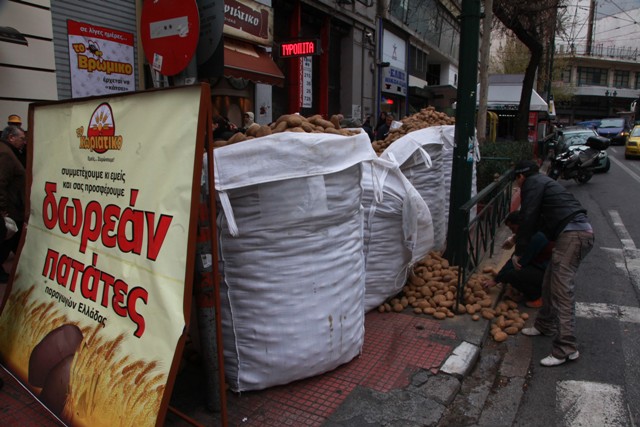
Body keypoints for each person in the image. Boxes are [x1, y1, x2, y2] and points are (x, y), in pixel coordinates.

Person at [513, 160, 594, 367]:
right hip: (572, 233)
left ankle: (566, 349)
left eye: (517, 180)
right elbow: (541, 223)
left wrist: (519, 253)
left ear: (521, 177)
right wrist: (515, 240)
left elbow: (528, 216)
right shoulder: (544, 182)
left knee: (561, 291)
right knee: (549, 282)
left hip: (573, 235)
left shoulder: (532, 183)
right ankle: (544, 325)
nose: (518, 184)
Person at [483, 210, 553, 308]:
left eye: (513, 228)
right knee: (511, 272)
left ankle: (537, 297)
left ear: (520, 224)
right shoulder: (530, 231)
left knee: (513, 275)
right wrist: (499, 277)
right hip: (541, 267)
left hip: (548, 273)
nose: (512, 232)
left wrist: (496, 280)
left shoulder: (536, 237)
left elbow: (519, 262)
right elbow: (515, 257)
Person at [0, 125, 27, 283]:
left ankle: (26, 264)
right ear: (11, 137)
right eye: (22, 139)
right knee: (8, 240)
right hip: (10, 208)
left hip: (13, 206)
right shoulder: (5, 154)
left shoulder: (8, 151)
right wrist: (3, 209)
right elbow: (1, 182)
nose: (24, 142)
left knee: (14, 240)